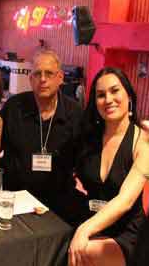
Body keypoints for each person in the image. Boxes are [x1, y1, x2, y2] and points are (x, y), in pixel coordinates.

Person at [68, 67, 149, 266]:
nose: (108, 99)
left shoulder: (143, 143)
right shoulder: (90, 137)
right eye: (101, 95)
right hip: (92, 220)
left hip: (127, 232)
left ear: (129, 95)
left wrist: (84, 230)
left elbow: (125, 200)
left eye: (115, 91)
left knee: (82, 253)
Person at [0, 50, 88, 226]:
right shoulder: (13, 108)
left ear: (60, 77)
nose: (42, 79)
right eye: (37, 74)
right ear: (30, 79)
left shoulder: (75, 113)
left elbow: (84, 160)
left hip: (59, 205)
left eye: (49, 73)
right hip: (16, 203)